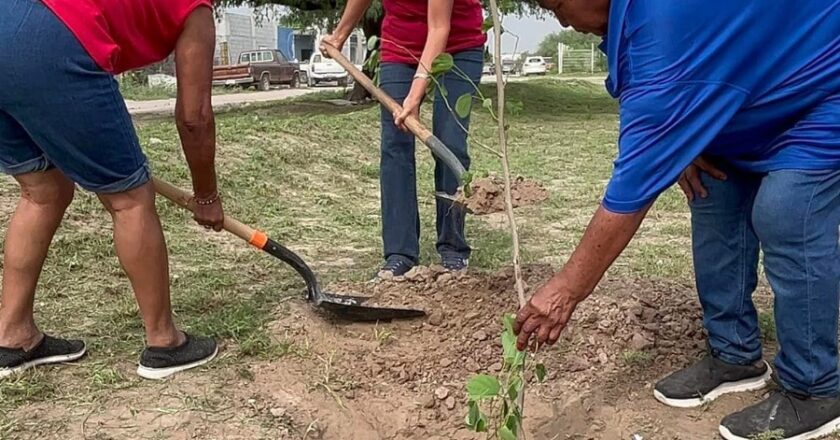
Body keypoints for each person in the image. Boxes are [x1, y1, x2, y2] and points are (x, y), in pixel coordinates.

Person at [515, 0, 840, 438]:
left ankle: (814, 388)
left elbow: (631, 191)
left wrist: (565, 290)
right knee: (712, 191)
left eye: (557, 5)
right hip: (753, 96)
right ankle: (735, 354)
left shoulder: (663, 32)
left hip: (822, 91)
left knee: (785, 211)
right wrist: (686, 140)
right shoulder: (637, 23)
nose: (562, 21)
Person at [0, 0, 223, 380]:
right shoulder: (197, 9)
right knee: (129, 200)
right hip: (52, 35)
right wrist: (206, 196)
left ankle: (13, 335)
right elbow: (194, 118)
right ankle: (164, 342)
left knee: (43, 191)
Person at [322, 0, 486, 277]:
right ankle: (399, 253)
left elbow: (438, 27)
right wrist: (339, 34)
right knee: (394, 146)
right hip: (400, 44)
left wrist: (415, 93)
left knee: (450, 143)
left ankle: (453, 249)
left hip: (458, 44)